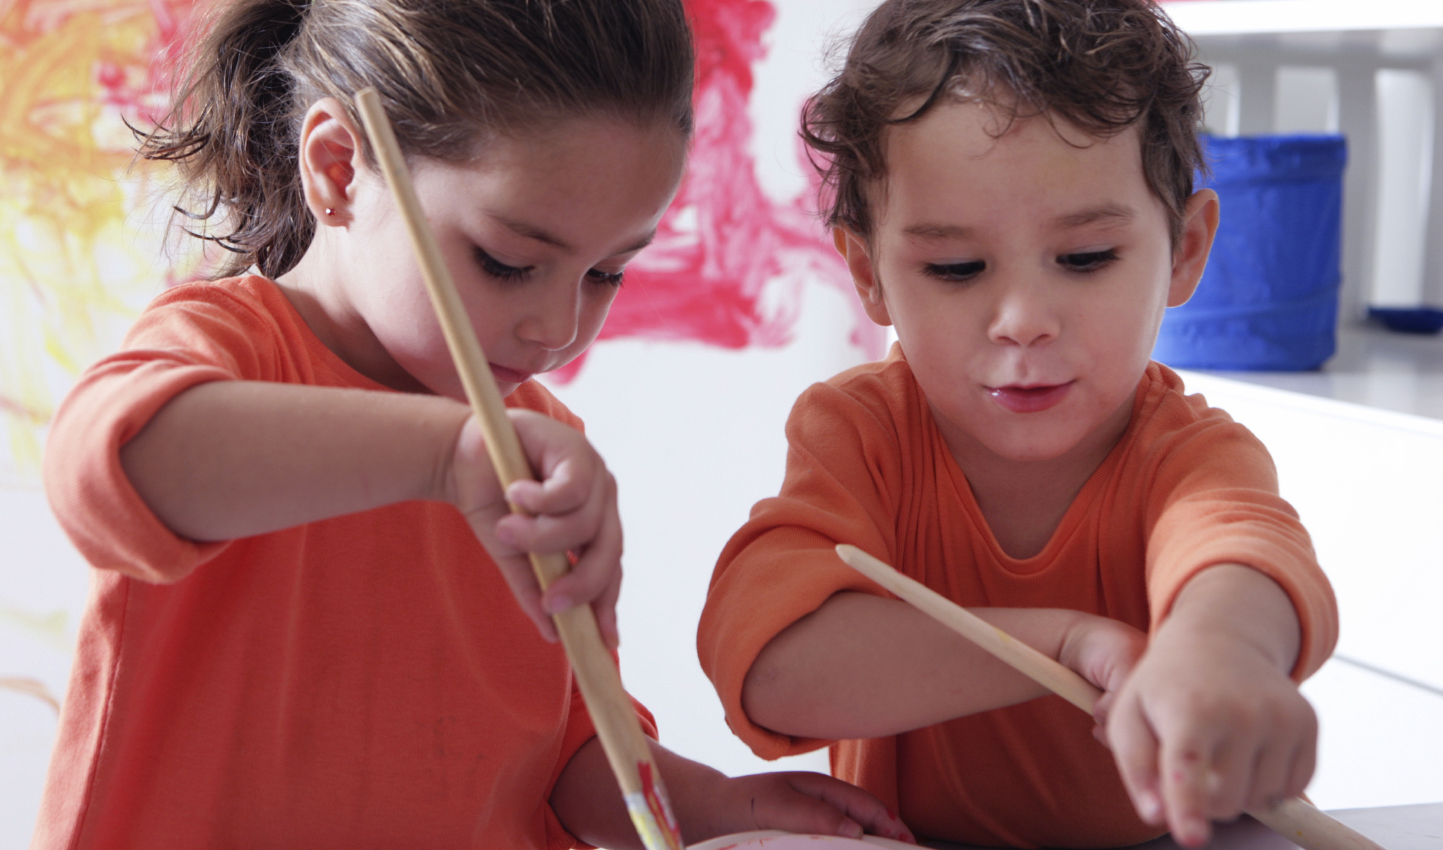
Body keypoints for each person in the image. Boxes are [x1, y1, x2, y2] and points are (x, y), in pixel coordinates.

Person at [35, 1, 914, 847]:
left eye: (607, 273)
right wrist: (444, 457)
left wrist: (715, 805)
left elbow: (561, 753)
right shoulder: (229, 350)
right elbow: (105, 471)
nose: (559, 328)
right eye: (509, 262)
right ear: (340, 169)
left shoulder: (536, 438)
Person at [696, 1, 1340, 847]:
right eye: (957, 268)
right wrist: (1064, 644)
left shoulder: (1188, 453)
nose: (1024, 320)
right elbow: (772, 670)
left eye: (1084, 259)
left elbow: (1238, 558)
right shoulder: (860, 435)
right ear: (870, 274)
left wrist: (1221, 651)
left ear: (1184, 251)